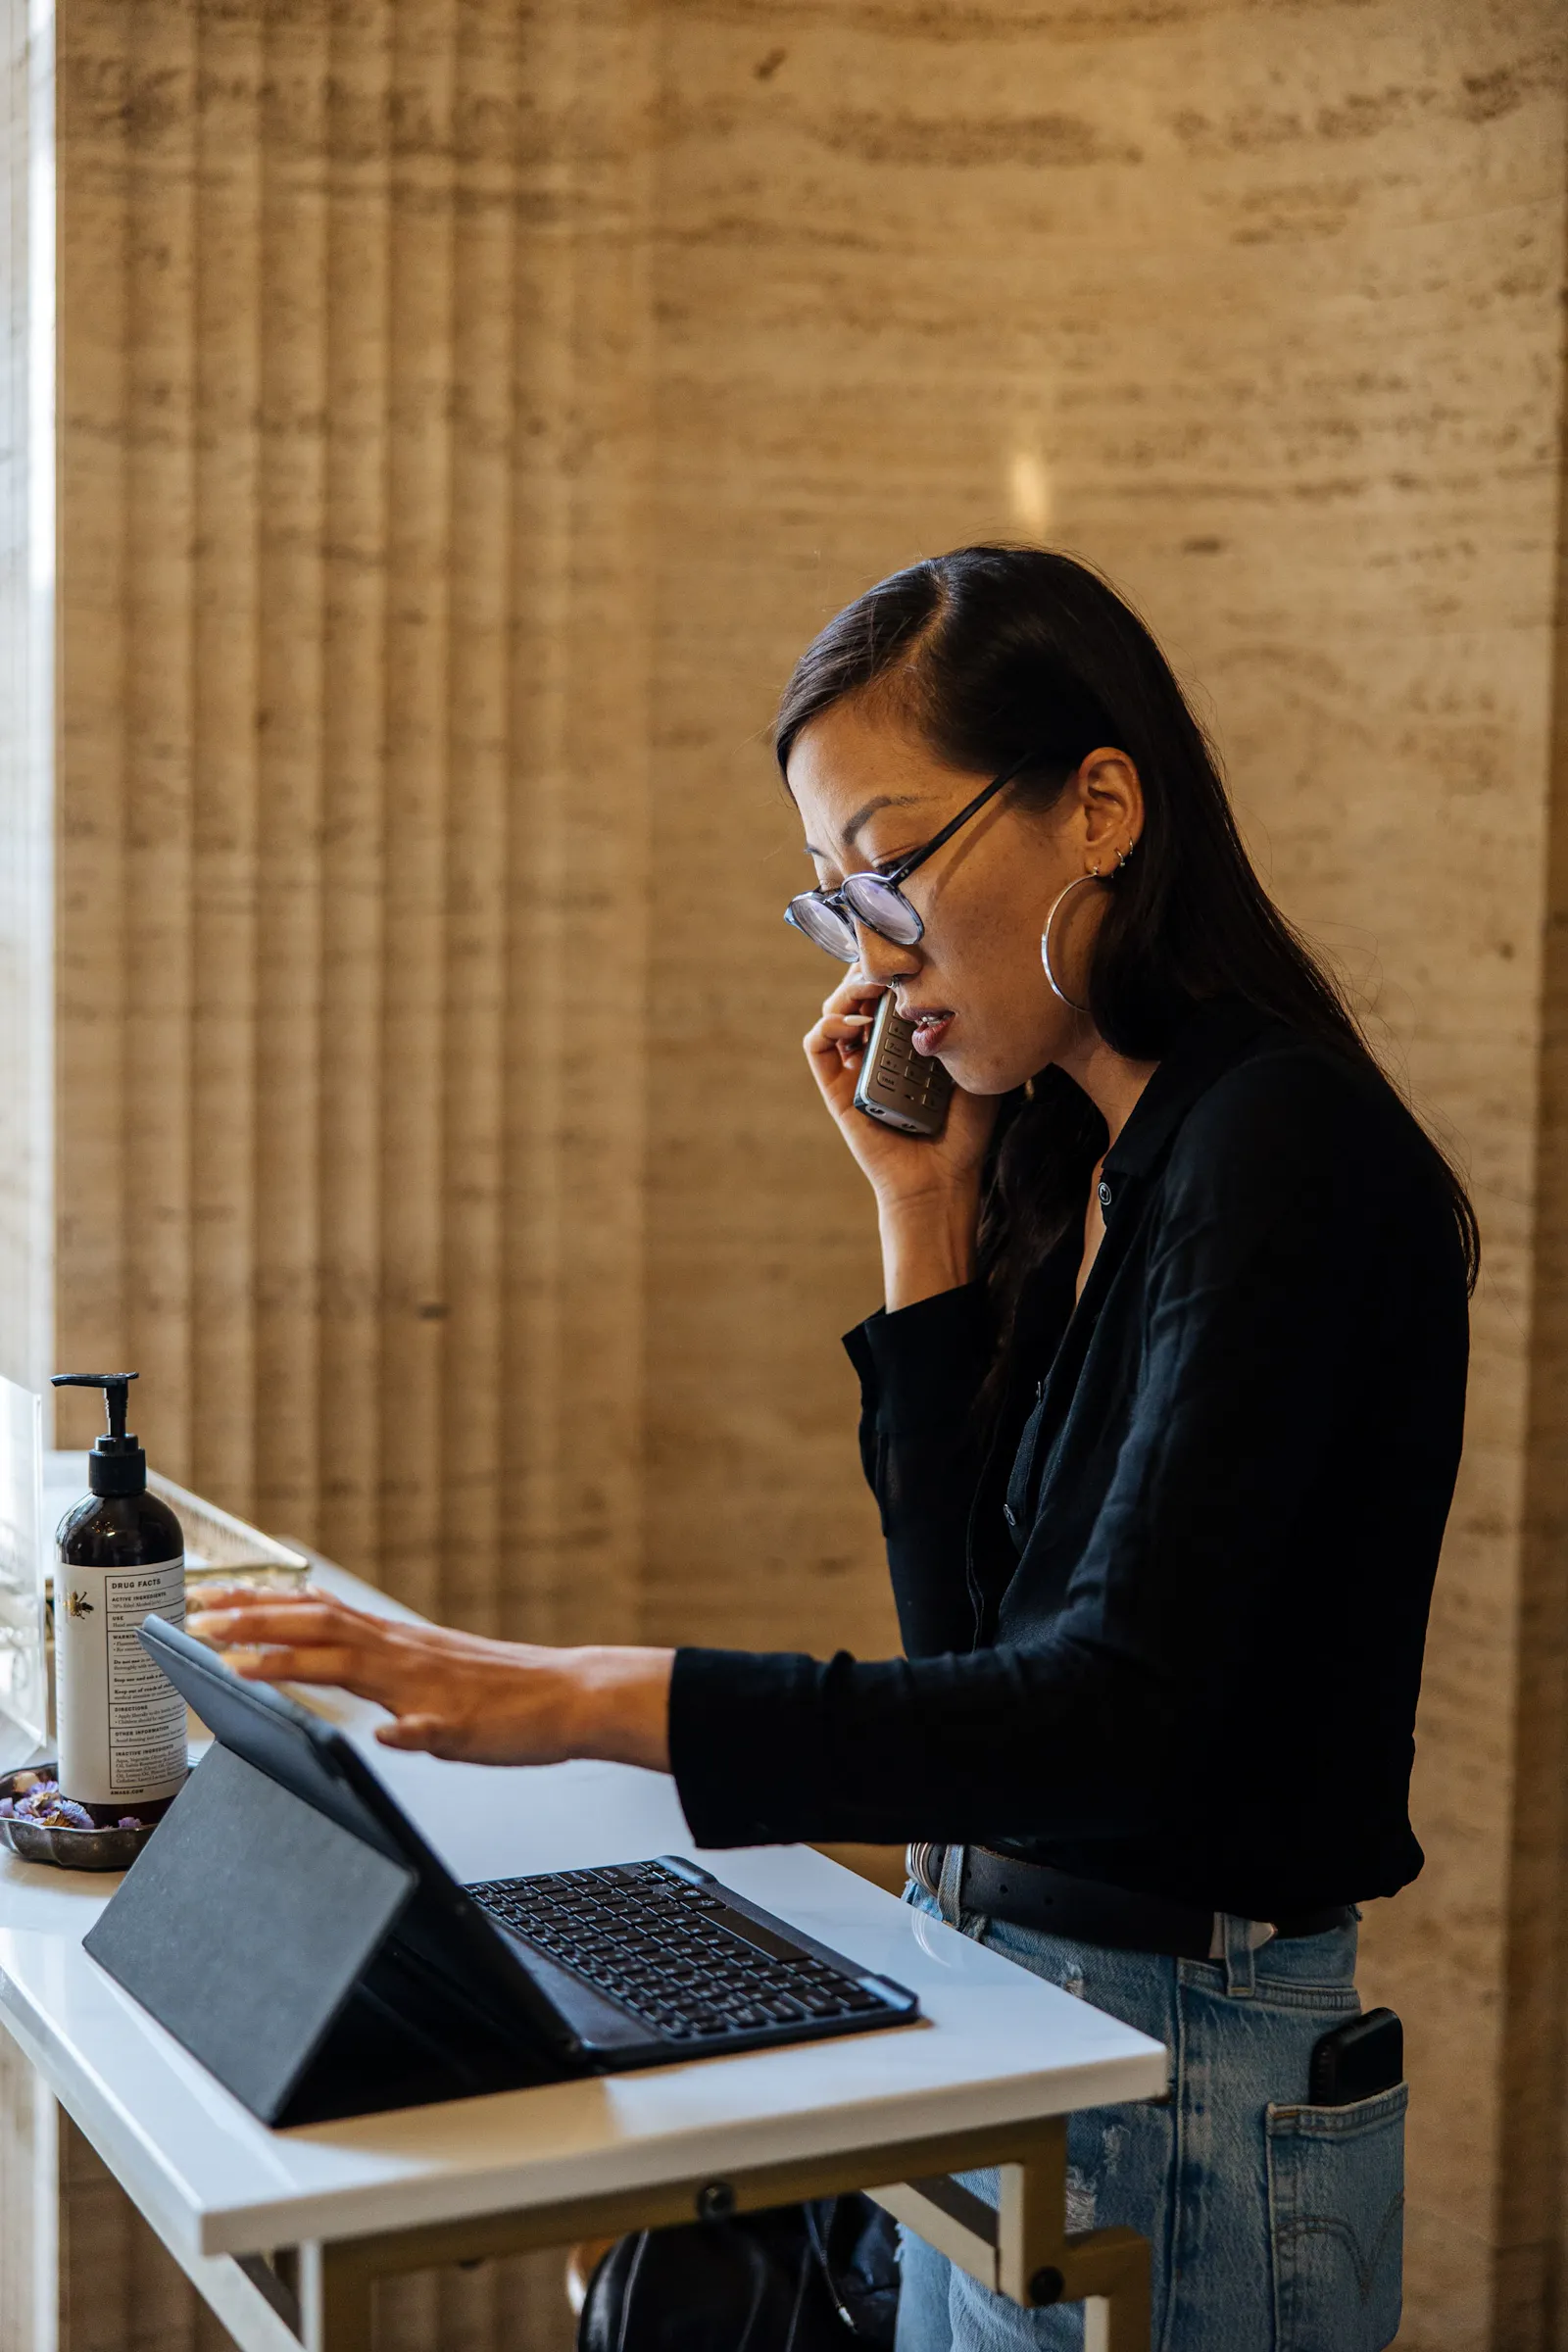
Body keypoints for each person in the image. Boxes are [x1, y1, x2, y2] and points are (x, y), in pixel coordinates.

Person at [191, 547, 1474, 2352]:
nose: (873, 952)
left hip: (1183, 2077)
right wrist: (923, 1217)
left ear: (1100, 806)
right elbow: (977, 1665)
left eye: (890, 871)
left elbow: (1111, 1716)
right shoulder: (1103, 1158)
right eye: (830, 901)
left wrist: (577, 1694)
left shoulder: (1286, 1152)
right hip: (1029, 2014)